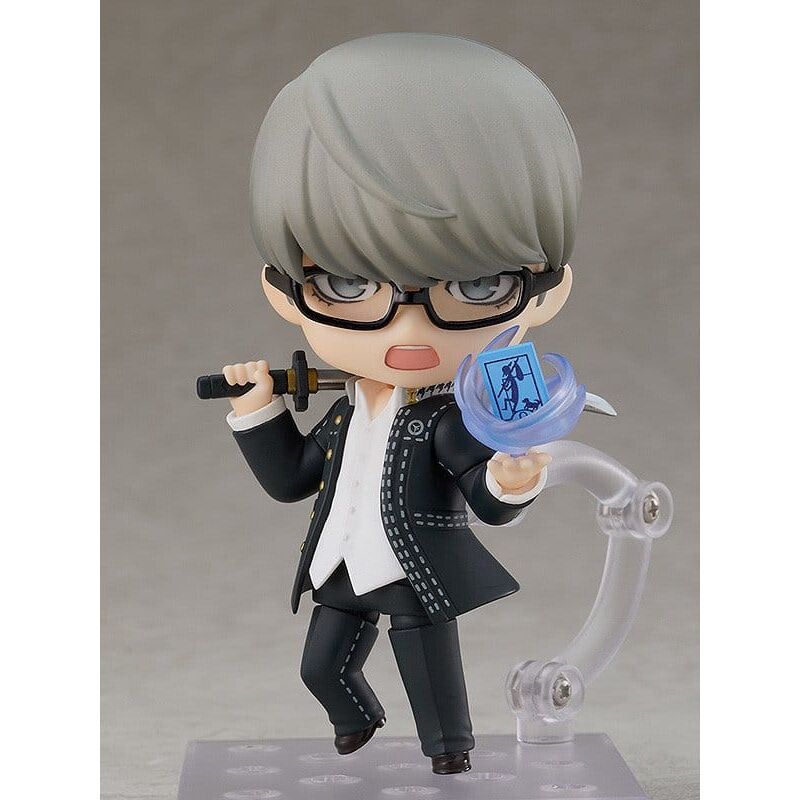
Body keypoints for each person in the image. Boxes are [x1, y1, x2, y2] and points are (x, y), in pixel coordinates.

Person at [221, 33, 581, 774]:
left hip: (417, 571)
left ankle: (449, 756)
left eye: (476, 285)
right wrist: (259, 407)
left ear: (546, 293)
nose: (408, 330)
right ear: (282, 290)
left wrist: (513, 478)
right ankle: (355, 715)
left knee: (431, 676)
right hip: (341, 567)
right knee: (320, 668)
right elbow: (293, 479)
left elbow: (484, 493)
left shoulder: (446, 418)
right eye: (349, 285)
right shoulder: (345, 412)